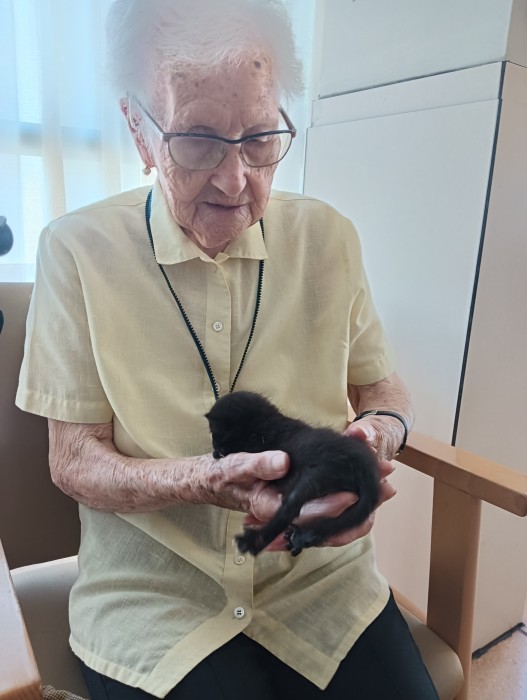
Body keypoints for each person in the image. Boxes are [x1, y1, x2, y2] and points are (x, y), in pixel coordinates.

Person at [16, 1, 438, 698]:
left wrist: (377, 436)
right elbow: (74, 459)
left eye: (260, 138)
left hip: (320, 584)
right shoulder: (76, 250)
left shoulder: (329, 238)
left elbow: (383, 390)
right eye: (198, 140)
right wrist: (202, 481)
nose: (236, 179)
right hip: (156, 600)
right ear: (138, 130)